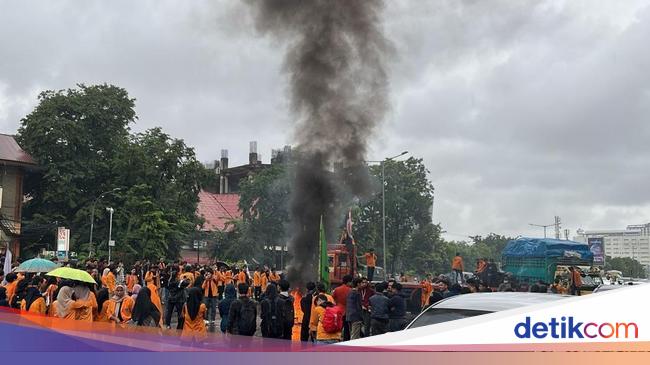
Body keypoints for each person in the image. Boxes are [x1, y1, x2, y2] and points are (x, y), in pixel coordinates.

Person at [332, 274, 352, 341]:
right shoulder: (350, 290)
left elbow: (333, 298)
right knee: (347, 329)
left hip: (338, 311)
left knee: (339, 327)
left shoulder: (337, 289)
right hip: (347, 312)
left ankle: (337, 339)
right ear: (348, 282)